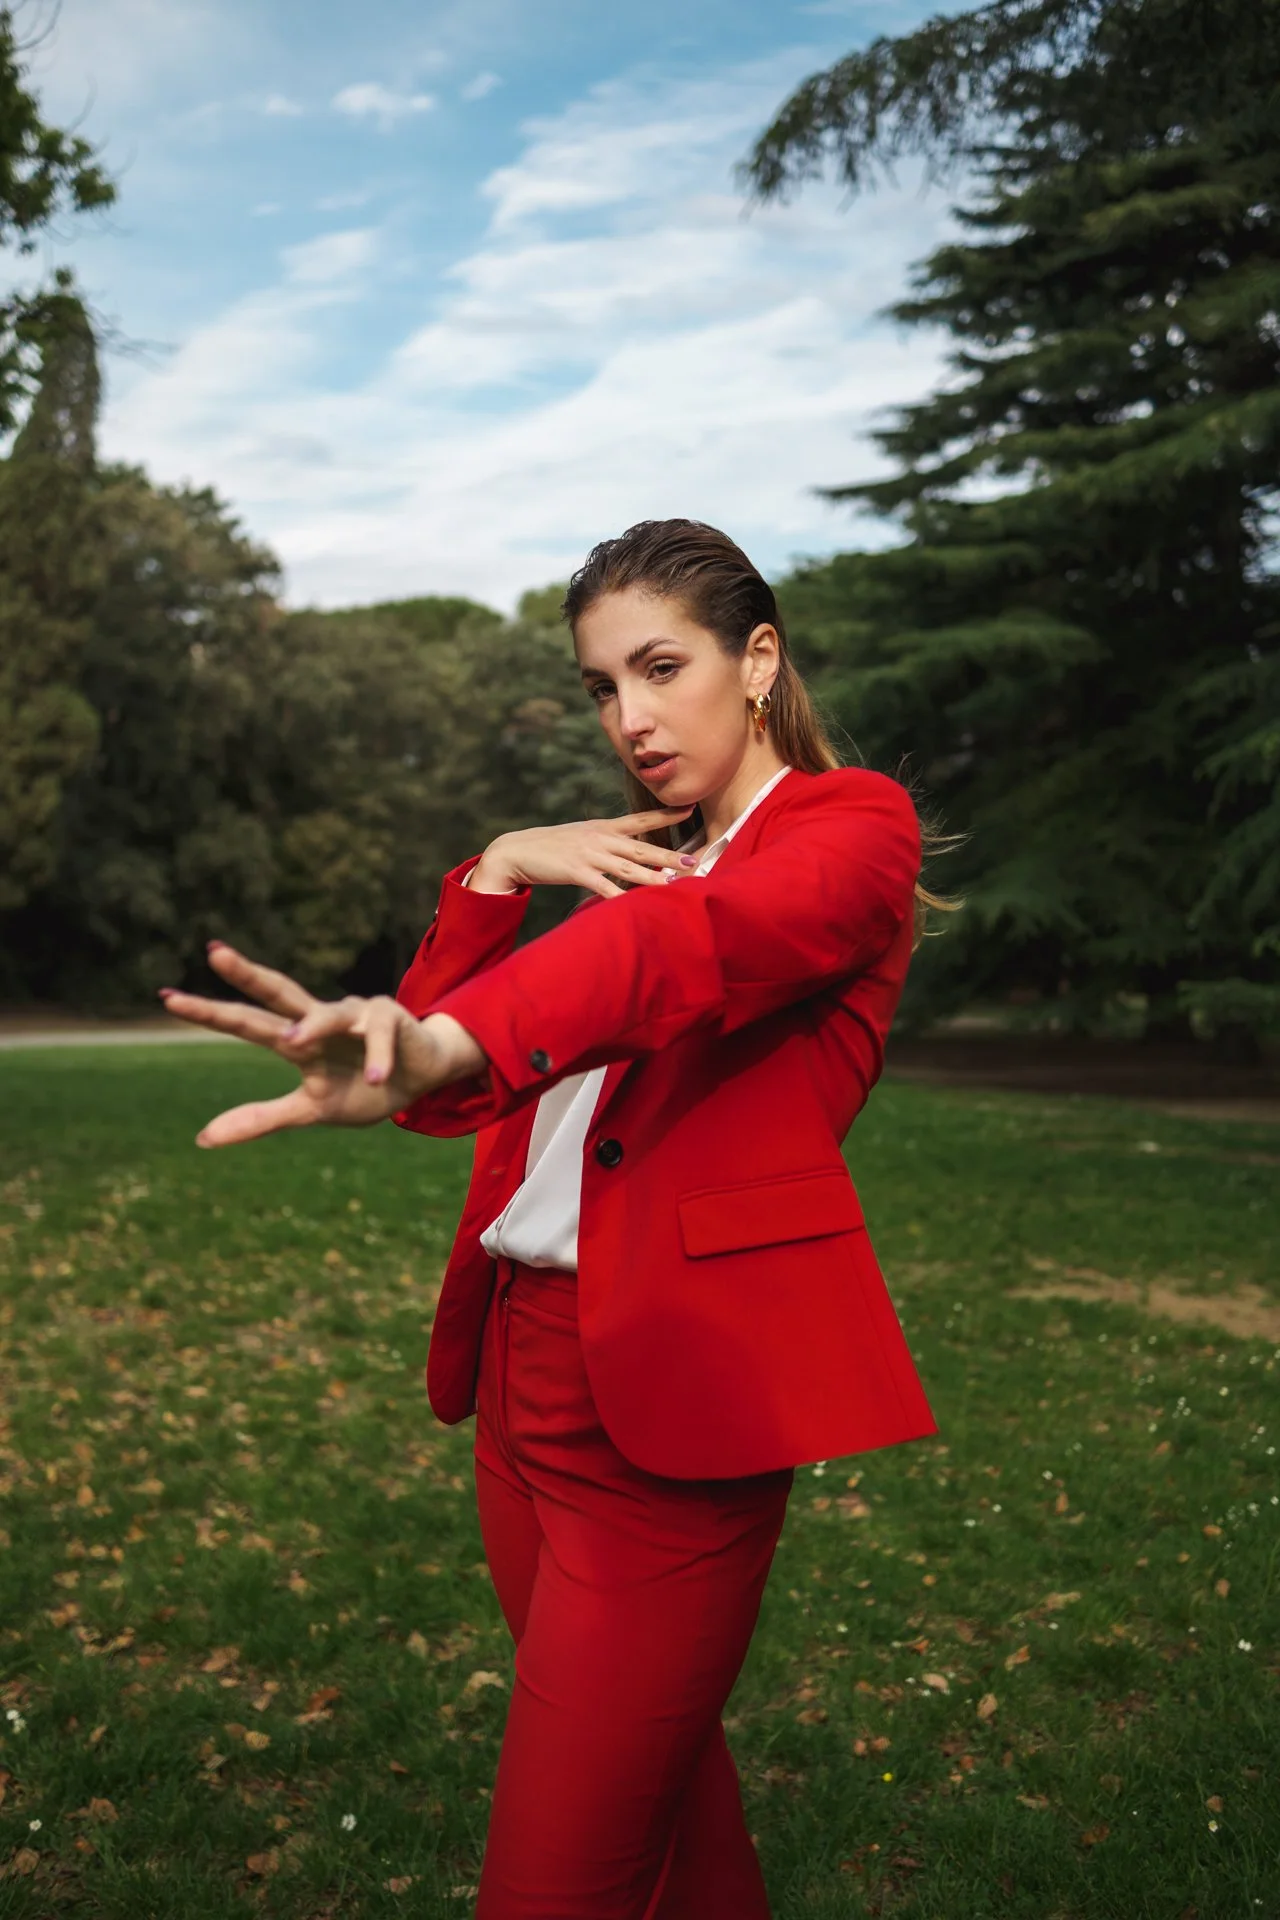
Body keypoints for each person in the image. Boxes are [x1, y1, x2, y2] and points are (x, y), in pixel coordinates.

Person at [161, 518, 947, 1919]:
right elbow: (442, 1097)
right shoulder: (632, 861)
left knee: (554, 1880)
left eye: (661, 668)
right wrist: (500, 871)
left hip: (670, 1406)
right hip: (526, 1381)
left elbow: (680, 959)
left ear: (756, 659)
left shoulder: (847, 829)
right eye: (600, 686)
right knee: (670, 1815)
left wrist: (463, 1037)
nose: (631, 719)